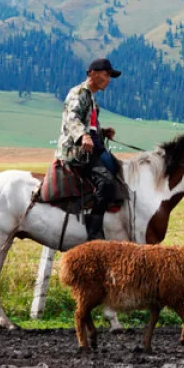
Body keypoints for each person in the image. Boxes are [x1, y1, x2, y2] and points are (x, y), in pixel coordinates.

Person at [56, 58, 121, 241]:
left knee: (118, 169)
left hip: (91, 149)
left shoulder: (91, 99)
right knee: (106, 182)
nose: (109, 79)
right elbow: (73, 119)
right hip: (76, 151)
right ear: (92, 73)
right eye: (106, 74)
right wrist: (83, 136)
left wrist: (102, 132)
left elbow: (90, 127)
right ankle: (94, 232)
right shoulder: (78, 93)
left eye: (110, 76)